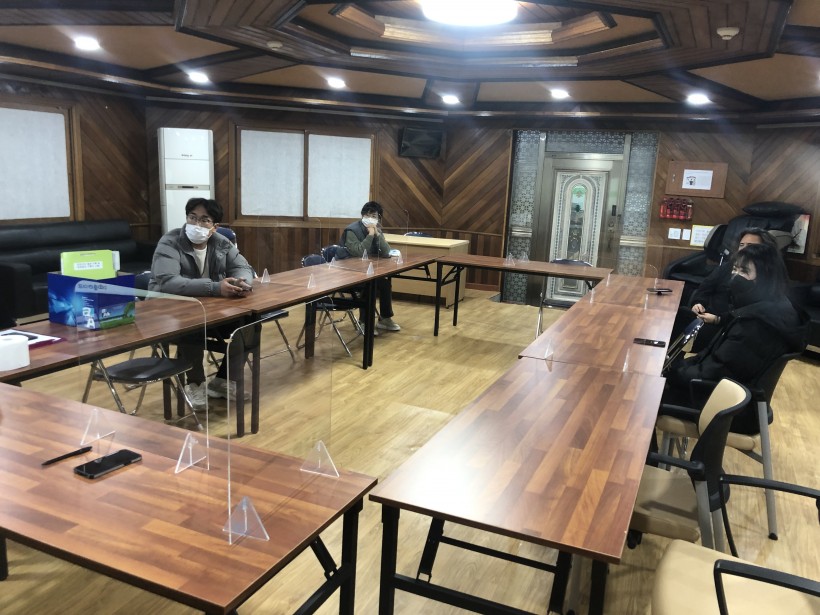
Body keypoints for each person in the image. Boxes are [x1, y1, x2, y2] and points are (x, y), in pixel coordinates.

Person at [663, 242, 809, 433]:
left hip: (727, 409)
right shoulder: (771, 310)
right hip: (734, 399)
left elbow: (716, 372)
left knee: (644, 396)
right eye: (735, 269)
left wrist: (670, 373)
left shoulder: (757, 325)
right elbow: (715, 362)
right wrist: (676, 367)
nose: (735, 277)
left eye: (744, 271)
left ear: (765, 278)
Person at [149, 198, 255, 409]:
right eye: (192, 217)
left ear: (214, 227)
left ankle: (223, 381)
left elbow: (244, 268)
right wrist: (215, 288)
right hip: (167, 311)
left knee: (250, 322)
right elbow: (168, 282)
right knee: (193, 324)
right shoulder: (169, 242)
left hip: (209, 308)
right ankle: (195, 384)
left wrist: (240, 282)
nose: (197, 224)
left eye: (204, 220)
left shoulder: (221, 243)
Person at [672, 227, 779, 351]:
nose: (744, 249)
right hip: (705, 316)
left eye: (750, 246)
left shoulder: (765, 278)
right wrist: (698, 303)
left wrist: (718, 319)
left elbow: (747, 314)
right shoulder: (727, 267)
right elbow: (705, 288)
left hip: (726, 328)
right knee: (677, 315)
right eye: (741, 245)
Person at [338, 201, 400, 332]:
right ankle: (364, 322)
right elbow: (359, 252)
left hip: (366, 271)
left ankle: (385, 319)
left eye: (374, 216)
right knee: (369, 285)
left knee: (384, 284)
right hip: (348, 273)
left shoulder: (377, 229)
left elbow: (386, 252)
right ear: (362, 215)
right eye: (368, 215)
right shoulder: (352, 230)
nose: (370, 218)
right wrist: (370, 235)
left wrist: (377, 234)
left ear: (378, 218)